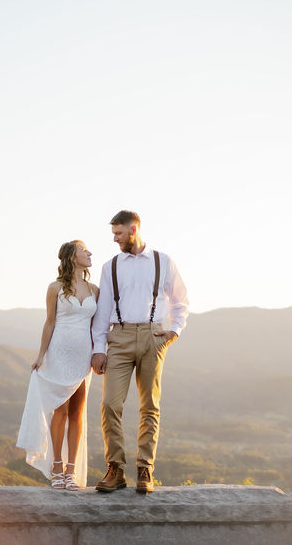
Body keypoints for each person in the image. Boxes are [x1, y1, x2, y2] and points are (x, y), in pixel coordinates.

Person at [91, 210, 189, 493]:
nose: (115, 238)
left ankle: (145, 469)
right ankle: (116, 469)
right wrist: (99, 349)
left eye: (118, 233)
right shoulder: (110, 267)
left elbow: (181, 301)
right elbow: (102, 311)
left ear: (133, 229)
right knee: (110, 404)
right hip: (118, 337)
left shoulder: (163, 261)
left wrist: (173, 332)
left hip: (152, 336)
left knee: (150, 407)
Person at [16, 240, 98, 490]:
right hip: (58, 354)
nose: (90, 253)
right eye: (85, 250)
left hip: (83, 357)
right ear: (73, 257)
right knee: (59, 411)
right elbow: (49, 322)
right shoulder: (55, 288)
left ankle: (72, 470)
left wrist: (99, 353)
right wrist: (41, 355)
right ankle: (57, 467)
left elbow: (98, 326)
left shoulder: (95, 290)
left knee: (77, 413)